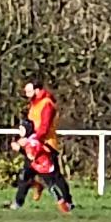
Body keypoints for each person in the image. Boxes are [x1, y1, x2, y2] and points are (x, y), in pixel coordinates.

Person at [9, 77, 73, 213]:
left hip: (46, 145)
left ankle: (67, 202)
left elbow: (44, 127)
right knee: (25, 174)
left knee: (54, 177)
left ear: (37, 90)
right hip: (34, 145)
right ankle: (18, 202)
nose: (26, 94)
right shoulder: (34, 104)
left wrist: (32, 140)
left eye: (29, 91)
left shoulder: (46, 104)